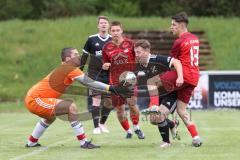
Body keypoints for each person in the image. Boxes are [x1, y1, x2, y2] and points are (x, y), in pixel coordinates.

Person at [24, 47, 132, 149]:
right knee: (70, 107)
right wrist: (111, 88)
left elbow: (89, 83)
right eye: (75, 54)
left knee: (50, 118)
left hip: (34, 98)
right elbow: (90, 83)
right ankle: (83, 142)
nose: (79, 56)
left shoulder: (67, 68)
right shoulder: (68, 68)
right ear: (68, 59)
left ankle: (32, 142)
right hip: (36, 99)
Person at [147, 12, 202, 147]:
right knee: (181, 110)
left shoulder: (179, 42)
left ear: (181, 26)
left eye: (173, 25)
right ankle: (196, 137)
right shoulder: (195, 38)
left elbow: (173, 62)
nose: (171, 27)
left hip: (183, 74)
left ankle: (153, 106)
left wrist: (178, 77)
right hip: (194, 77)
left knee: (152, 81)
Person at [134, 39, 182, 148]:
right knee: (153, 120)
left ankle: (166, 142)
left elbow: (176, 62)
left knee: (159, 115)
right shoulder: (139, 65)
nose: (136, 55)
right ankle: (172, 124)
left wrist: (180, 77)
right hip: (157, 95)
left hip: (171, 93)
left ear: (146, 51)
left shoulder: (157, 59)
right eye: (135, 52)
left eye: (138, 52)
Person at [102, 21, 145, 139]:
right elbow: (105, 62)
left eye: (117, 30)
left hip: (129, 80)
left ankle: (136, 127)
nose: (115, 33)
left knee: (132, 104)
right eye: (113, 31)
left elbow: (139, 57)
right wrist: (105, 65)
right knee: (120, 109)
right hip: (114, 82)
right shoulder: (106, 47)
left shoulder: (130, 44)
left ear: (121, 31)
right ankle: (128, 130)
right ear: (110, 32)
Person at [80, 16, 112, 134]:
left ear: (108, 26)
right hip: (94, 74)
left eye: (105, 23)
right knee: (96, 100)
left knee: (109, 102)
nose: (103, 25)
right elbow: (84, 56)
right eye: (101, 23)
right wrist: (80, 70)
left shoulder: (113, 40)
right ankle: (96, 127)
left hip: (109, 75)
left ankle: (102, 123)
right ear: (98, 26)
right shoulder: (91, 39)